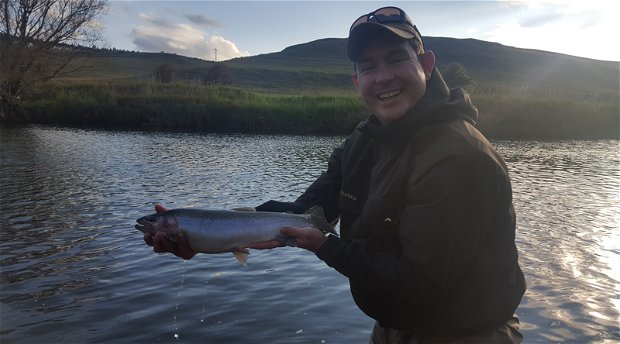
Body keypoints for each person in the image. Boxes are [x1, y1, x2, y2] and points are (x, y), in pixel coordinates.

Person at [144, 6, 526, 343]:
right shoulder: (363, 141)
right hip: (394, 326)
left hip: (466, 334)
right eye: (368, 67)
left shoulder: (457, 156)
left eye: (396, 59)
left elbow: (423, 283)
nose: (383, 77)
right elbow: (309, 209)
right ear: (356, 82)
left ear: (425, 66)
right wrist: (209, 233)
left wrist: (325, 246)